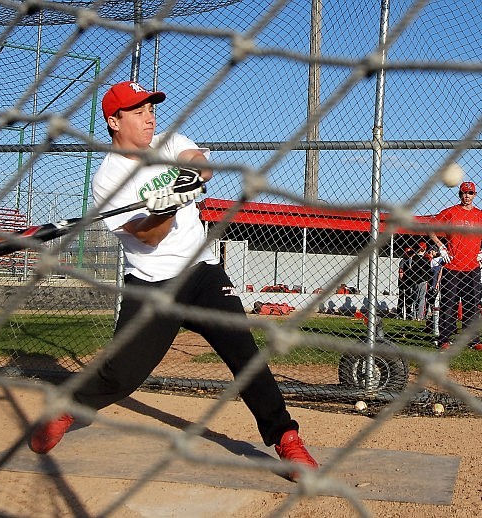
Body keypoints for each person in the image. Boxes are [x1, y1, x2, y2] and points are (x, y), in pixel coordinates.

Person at [28, 81, 318, 481]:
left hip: (201, 272)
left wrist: (188, 178)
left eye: (151, 108)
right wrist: (167, 208)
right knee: (121, 375)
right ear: (114, 121)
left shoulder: (167, 142)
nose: (150, 117)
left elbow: (198, 160)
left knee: (245, 355)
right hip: (150, 284)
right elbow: (149, 236)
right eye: (138, 111)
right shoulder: (107, 180)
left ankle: (286, 438)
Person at [429, 181, 482, 351]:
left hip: (472, 268)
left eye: (470, 193)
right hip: (452, 267)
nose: (467, 196)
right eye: (464, 193)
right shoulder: (451, 212)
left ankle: (472, 340)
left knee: (472, 305)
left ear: (475, 195)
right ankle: (444, 339)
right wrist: (441, 247)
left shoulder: (480, 215)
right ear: (460, 194)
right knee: (448, 304)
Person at [397, 246, 416, 319]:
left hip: (409, 281)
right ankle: (399, 313)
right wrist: (403, 281)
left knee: (409, 297)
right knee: (401, 297)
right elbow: (401, 272)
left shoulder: (412, 260)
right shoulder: (403, 261)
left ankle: (408, 312)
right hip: (403, 281)